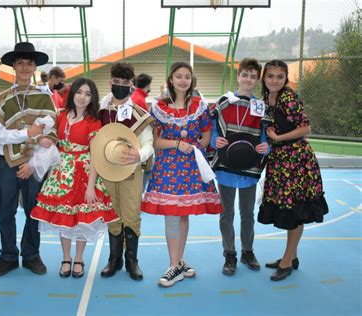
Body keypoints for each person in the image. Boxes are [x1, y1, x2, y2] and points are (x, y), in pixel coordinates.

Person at [141, 61, 222, 287]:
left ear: (191, 80)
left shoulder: (200, 106)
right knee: (171, 214)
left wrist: (196, 145)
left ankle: (177, 260)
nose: (183, 80)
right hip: (168, 167)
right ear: (171, 80)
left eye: (187, 76)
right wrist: (177, 144)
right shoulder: (158, 107)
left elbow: (207, 136)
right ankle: (174, 264)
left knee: (183, 214)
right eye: (179, 76)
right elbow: (155, 141)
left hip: (191, 166)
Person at [30, 77, 118, 278]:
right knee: (64, 217)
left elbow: (95, 154)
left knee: (82, 219)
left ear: (92, 99)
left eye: (88, 94)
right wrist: (43, 139)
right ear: (73, 93)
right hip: (60, 172)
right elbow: (47, 135)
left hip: (84, 173)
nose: (82, 97)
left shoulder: (93, 121)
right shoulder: (60, 115)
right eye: (80, 92)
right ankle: (66, 258)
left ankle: (79, 258)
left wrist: (90, 187)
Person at [0, 42, 57, 277]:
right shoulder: (1, 99)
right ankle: (8, 256)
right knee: (5, 209)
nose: (25, 67)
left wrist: (35, 158)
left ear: (35, 67)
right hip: (7, 162)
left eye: (30, 63)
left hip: (34, 162)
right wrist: (28, 133)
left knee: (34, 209)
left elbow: (50, 133)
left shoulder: (44, 97)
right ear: (14, 66)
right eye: (20, 62)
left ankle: (31, 255)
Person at [258, 59, 329, 281]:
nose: (275, 80)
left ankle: (287, 262)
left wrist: (278, 138)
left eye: (280, 77)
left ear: (285, 78)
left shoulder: (288, 98)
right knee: (289, 208)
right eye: (271, 76)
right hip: (281, 160)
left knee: (295, 210)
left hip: (296, 161)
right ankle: (292, 257)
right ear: (265, 78)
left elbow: (306, 128)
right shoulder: (267, 98)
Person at [210, 58, 270, 276]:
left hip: (249, 170)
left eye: (253, 76)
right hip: (226, 167)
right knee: (226, 214)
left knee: (247, 213)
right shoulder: (224, 102)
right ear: (238, 76)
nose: (248, 79)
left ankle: (247, 251)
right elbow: (214, 128)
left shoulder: (260, 106)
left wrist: (266, 147)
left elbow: (264, 136)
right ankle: (229, 254)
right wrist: (213, 140)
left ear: (257, 80)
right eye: (245, 74)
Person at [98, 62, 154, 281]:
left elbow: (149, 142)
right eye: (116, 81)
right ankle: (114, 259)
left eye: (125, 82)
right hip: (106, 170)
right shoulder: (101, 108)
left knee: (131, 214)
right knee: (112, 214)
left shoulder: (139, 113)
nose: (120, 86)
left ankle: (132, 260)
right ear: (110, 81)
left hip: (131, 170)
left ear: (132, 84)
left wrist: (139, 155)